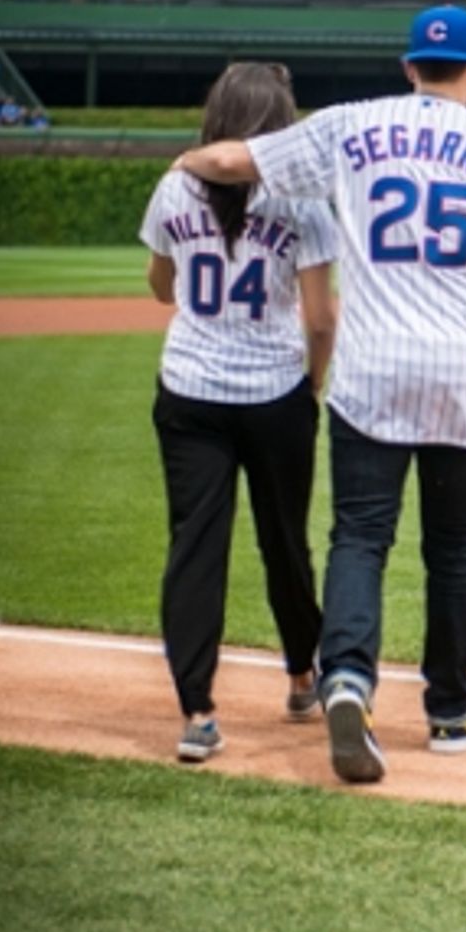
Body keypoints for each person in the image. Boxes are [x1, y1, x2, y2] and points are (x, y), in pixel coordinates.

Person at [173, 6, 466, 785]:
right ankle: (450, 710)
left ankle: (347, 677)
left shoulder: (350, 125)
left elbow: (233, 159)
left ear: (407, 64)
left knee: (360, 536)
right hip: (461, 375)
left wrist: (187, 160)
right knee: (454, 548)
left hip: (371, 369)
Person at [141, 61, 338, 764]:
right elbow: (320, 319)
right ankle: (300, 677)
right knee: (285, 540)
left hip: (190, 388)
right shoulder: (303, 201)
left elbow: (162, 288)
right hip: (275, 392)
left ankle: (197, 711)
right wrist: (310, 387)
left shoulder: (174, 184)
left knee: (195, 544)